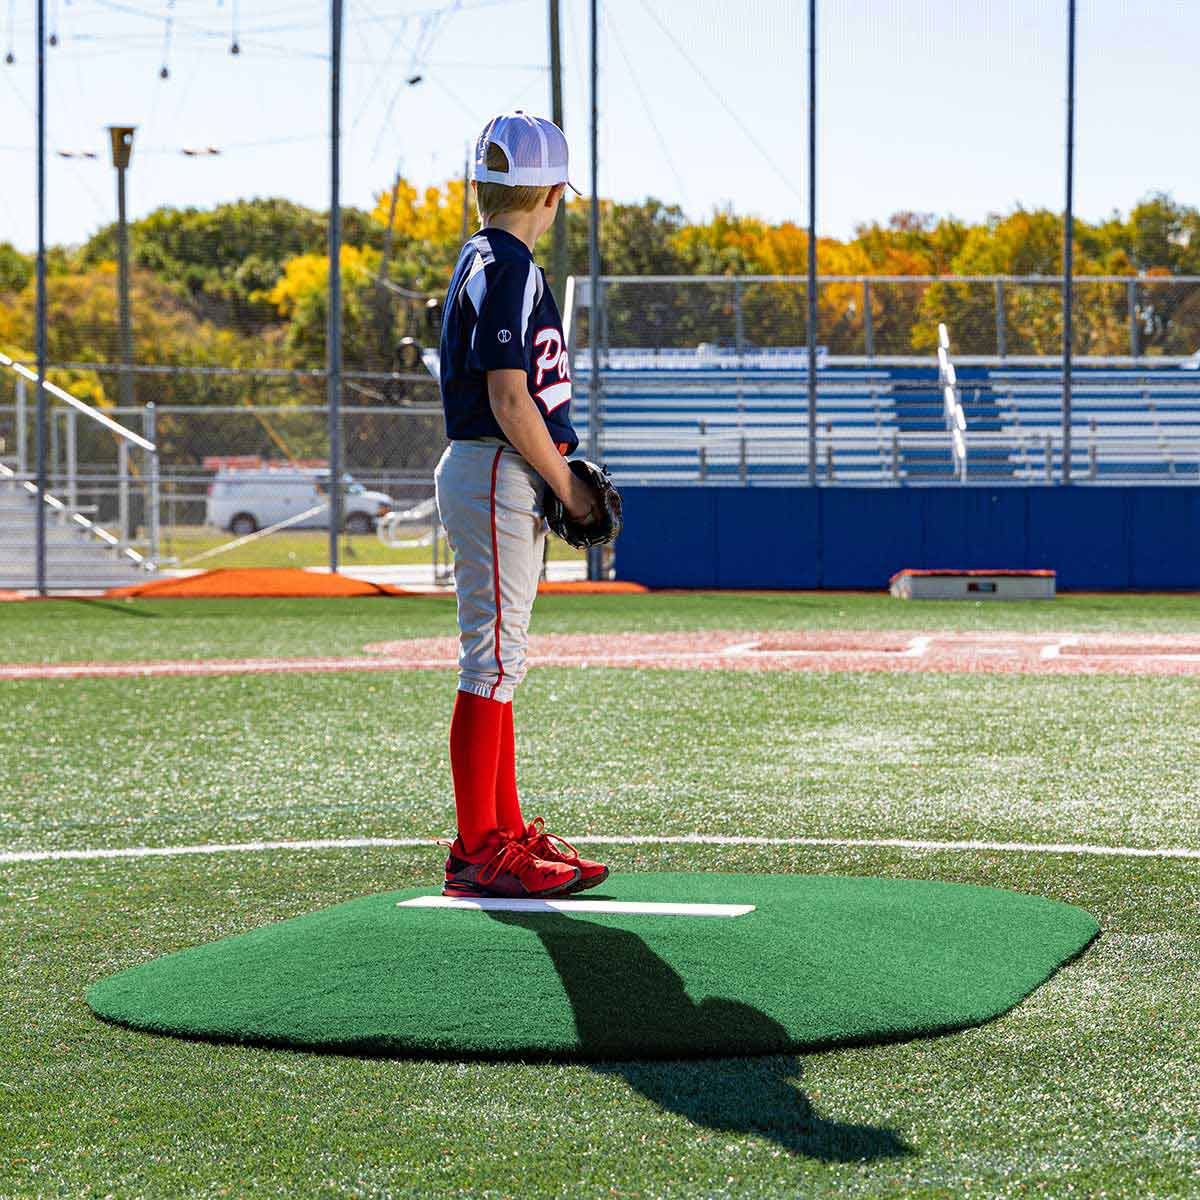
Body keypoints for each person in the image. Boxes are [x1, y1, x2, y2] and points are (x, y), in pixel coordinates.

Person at [433, 111, 609, 899]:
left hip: (493, 468)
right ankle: (480, 848)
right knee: (493, 660)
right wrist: (565, 481)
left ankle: (501, 834)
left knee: (501, 662)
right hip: (499, 464)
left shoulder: (483, 256)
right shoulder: (509, 265)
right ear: (552, 195)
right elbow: (509, 396)